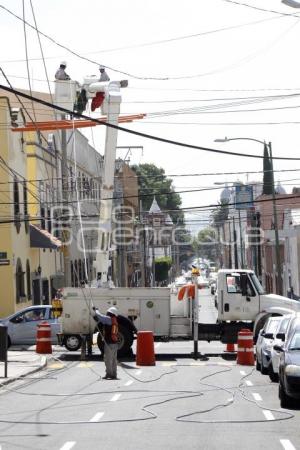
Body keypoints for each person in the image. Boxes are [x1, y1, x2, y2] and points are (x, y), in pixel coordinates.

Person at [92, 306, 119, 379]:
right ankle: (114, 374)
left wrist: (96, 310)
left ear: (110, 313)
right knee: (113, 360)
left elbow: (100, 316)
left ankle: (109, 374)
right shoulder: (114, 320)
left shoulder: (108, 319)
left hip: (109, 344)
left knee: (107, 359)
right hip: (114, 343)